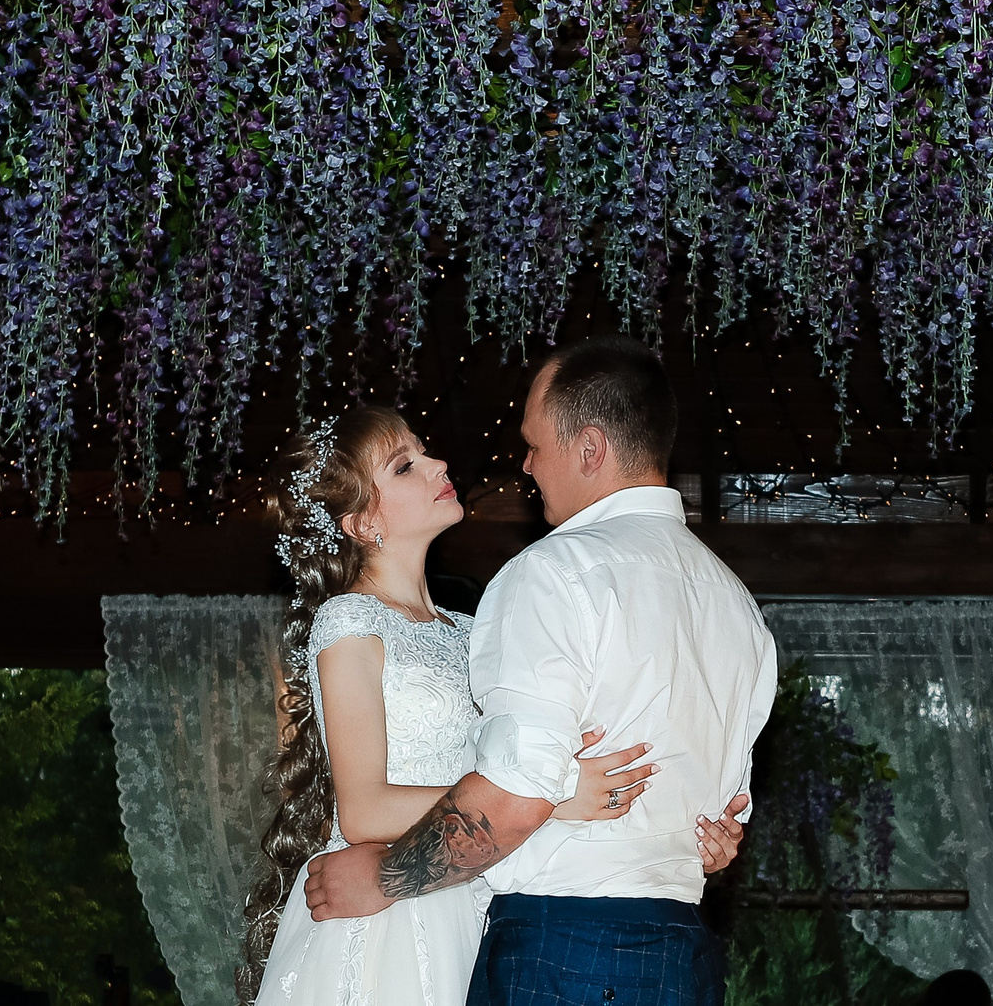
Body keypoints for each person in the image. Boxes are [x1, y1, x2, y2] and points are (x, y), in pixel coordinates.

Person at [301, 337, 777, 1006]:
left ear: (588, 449)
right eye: (408, 462)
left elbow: (516, 799)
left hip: (565, 950)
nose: (524, 465)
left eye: (533, 443)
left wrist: (382, 879)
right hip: (681, 954)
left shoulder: (551, 573)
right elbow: (716, 824)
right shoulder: (737, 603)